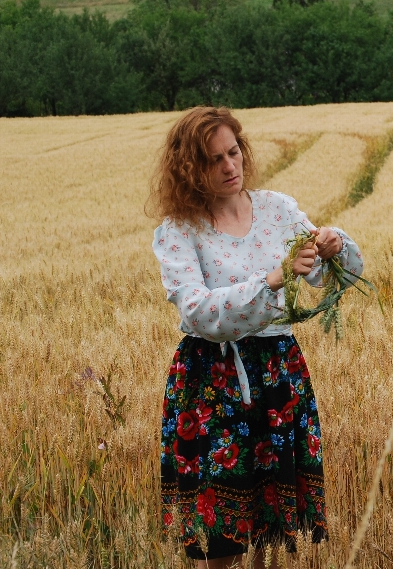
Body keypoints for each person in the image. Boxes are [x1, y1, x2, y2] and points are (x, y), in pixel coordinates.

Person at [149, 106, 364, 567]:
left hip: (277, 375)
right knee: (222, 540)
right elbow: (200, 313)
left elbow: (332, 279)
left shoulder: (277, 209)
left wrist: (333, 247)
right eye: (213, 160)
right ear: (189, 169)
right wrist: (272, 280)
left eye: (234, 152)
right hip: (212, 382)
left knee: (270, 524)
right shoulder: (178, 232)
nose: (230, 166)